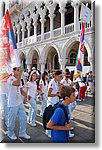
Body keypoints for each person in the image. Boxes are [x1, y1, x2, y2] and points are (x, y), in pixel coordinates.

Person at [7, 66, 30, 140]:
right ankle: (10, 133)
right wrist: (20, 73)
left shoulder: (19, 80)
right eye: (17, 70)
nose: (18, 71)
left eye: (19, 70)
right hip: (12, 103)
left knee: (23, 118)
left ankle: (22, 133)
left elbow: (20, 89)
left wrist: (25, 96)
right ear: (13, 71)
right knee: (12, 120)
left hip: (19, 102)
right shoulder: (10, 79)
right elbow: (16, 84)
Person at [46, 70, 62, 137]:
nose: (61, 77)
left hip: (55, 102)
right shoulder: (52, 82)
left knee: (53, 117)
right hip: (51, 102)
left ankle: (51, 130)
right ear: (55, 76)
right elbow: (48, 94)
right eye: (60, 76)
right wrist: (57, 95)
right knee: (50, 118)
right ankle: (48, 132)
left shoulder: (56, 82)